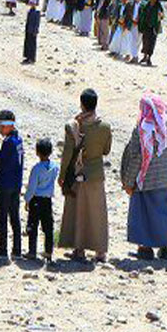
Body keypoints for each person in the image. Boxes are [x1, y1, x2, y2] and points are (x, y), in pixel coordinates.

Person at [119, 93, 167, 260]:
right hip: (165, 178)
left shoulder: (141, 128)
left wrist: (128, 181)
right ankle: (164, 247)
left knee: (143, 214)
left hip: (145, 179)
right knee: (164, 214)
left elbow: (136, 157)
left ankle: (145, 248)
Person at [58, 89, 111, 263]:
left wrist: (62, 174)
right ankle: (100, 251)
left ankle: (79, 250)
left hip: (77, 173)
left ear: (82, 104)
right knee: (97, 213)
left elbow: (67, 153)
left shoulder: (74, 126)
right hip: (96, 174)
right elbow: (106, 150)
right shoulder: (104, 127)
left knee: (78, 211)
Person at [0, 111, 23, 258]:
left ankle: (3, 248)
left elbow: (1, 160)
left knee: (3, 217)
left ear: (6, 126)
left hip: (5, 184)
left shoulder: (9, 142)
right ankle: (17, 249)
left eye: (0, 126)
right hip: (16, 183)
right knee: (15, 217)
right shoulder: (18, 140)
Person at [25, 139, 57, 262]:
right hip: (47, 200)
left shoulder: (37, 168)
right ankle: (48, 251)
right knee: (48, 226)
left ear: (37, 152)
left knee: (33, 225)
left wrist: (27, 199)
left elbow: (32, 187)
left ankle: (32, 251)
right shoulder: (54, 167)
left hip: (36, 199)